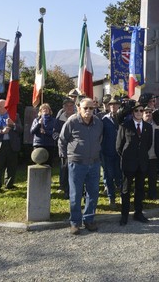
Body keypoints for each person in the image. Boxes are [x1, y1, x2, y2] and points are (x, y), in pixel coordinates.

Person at [59, 98, 103, 235]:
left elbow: (99, 139)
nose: (88, 111)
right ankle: (75, 222)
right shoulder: (72, 122)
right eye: (85, 108)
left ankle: (89, 219)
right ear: (79, 108)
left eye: (91, 108)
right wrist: (65, 158)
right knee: (75, 194)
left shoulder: (98, 123)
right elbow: (62, 140)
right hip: (76, 164)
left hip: (94, 163)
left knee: (93, 193)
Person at [116, 102, 153, 226]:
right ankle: (124, 215)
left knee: (140, 189)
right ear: (133, 113)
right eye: (136, 111)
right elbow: (119, 146)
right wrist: (129, 157)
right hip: (128, 164)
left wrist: (139, 156)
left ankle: (138, 213)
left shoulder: (148, 126)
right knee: (126, 191)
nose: (139, 113)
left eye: (141, 111)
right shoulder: (125, 125)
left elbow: (148, 144)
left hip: (141, 163)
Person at [0, 99, 23, 195]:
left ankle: (9, 184)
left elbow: (20, 129)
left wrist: (13, 124)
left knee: (12, 166)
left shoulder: (14, 116)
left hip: (12, 145)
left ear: (5, 107)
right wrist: (1, 132)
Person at [100, 96, 122, 208]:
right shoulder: (104, 120)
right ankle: (111, 197)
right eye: (111, 104)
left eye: (115, 104)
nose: (113, 106)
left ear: (118, 106)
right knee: (109, 176)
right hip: (107, 152)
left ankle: (122, 195)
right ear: (109, 106)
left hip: (120, 153)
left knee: (120, 175)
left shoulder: (122, 118)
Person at [53, 98, 76, 199]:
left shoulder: (78, 117)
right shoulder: (59, 120)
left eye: (71, 105)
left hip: (76, 149)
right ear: (63, 107)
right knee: (65, 169)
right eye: (67, 106)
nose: (69, 108)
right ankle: (66, 189)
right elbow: (54, 133)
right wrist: (61, 140)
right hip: (64, 148)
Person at [143, 105, 158, 200]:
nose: (148, 114)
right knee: (141, 178)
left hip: (153, 156)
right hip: (142, 157)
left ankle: (152, 194)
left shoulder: (156, 125)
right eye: (146, 112)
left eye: (150, 112)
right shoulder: (139, 125)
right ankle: (141, 194)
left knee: (152, 177)